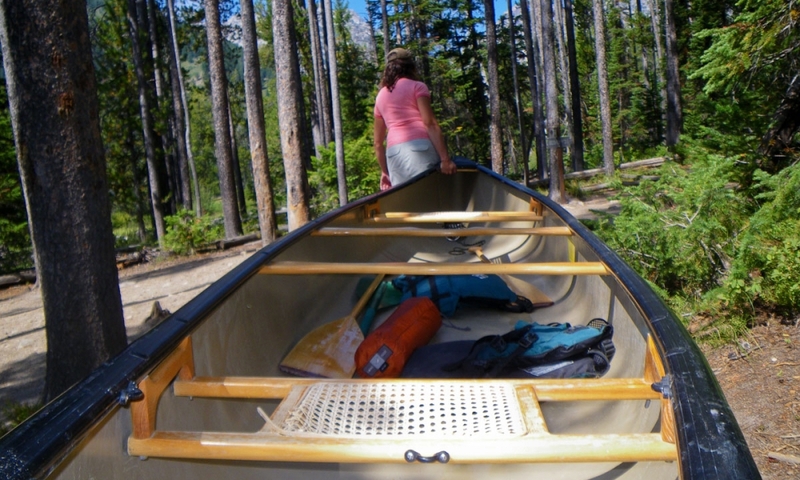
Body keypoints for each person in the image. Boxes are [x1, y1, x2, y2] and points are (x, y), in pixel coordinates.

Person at [373, 48, 457, 191]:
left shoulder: (380, 96)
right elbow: (429, 123)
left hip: (394, 154)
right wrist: (445, 160)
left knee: (406, 203)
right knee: (430, 198)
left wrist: (385, 172)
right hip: (421, 148)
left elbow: (377, 143)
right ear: (410, 66)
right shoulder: (417, 87)